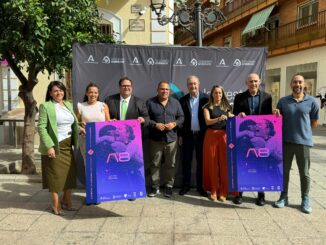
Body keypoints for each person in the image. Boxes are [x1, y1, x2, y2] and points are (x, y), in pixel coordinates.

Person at [273, 74, 319, 214]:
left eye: (300, 82)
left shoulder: (312, 102)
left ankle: (305, 199)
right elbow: (278, 120)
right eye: (294, 82)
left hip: (303, 143)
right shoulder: (283, 101)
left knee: (304, 173)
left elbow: (314, 123)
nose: (297, 85)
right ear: (291, 84)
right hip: (285, 142)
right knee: (284, 172)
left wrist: (302, 131)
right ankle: (283, 196)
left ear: (303, 84)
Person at [38, 81, 80, 215]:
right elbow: (41, 127)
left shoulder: (67, 104)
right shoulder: (46, 106)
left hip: (68, 145)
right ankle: (55, 205)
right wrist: (49, 146)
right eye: (55, 91)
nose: (59, 93)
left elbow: (72, 124)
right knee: (55, 177)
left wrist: (80, 129)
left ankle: (67, 202)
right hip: (55, 145)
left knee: (69, 175)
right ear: (50, 93)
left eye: (61, 90)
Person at [233, 73, 272, 206]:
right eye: (251, 81)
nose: (253, 84)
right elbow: (234, 116)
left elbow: (269, 118)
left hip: (260, 139)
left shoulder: (267, 97)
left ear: (259, 82)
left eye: (255, 81)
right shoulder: (239, 97)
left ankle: (261, 195)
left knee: (261, 165)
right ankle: (240, 194)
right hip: (245, 139)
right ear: (246, 83)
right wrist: (239, 115)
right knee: (244, 164)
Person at [146, 81, 184, 198]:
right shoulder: (150, 102)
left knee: (171, 164)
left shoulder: (176, 103)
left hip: (171, 139)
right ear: (157, 90)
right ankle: (155, 186)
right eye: (162, 89)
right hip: (155, 140)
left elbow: (181, 117)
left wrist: (175, 123)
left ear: (169, 91)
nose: (165, 91)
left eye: (167, 89)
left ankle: (168, 186)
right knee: (154, 164)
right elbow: (146, 118)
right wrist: (154, 124)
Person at [178, 75, 208, 196]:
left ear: (199, 84)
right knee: (186, 161)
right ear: (187, 86)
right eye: (190, 84)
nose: (193, 86)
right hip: (187, 136)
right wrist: (180, 135)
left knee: (201, 162)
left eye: (195, 83)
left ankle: (200, 187)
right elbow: (180, 119)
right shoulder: (183, 100)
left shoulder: (206, 99)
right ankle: (186, 186)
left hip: (202, 136)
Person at [202, 85, 233, 202]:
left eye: (220, 93)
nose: (218, 95)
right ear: (212, 94)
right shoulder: (207, 106)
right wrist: (219, 119)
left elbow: (232, 117)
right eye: (216, 93)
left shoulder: (227, 106)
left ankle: (223, 191)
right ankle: (214, 190)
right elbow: (207, 121)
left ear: (223, 94)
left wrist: (237, 116)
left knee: (224, 164)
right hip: (211, 136)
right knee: (212, 164)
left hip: (224, 137)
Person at [76, 82, 110, 161]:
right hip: (86, 140)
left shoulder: (103, 105)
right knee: (88, 164)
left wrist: (113, 122)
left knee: (102, 163)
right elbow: (76, 123)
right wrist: (81, 127)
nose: (93, 94)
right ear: (86, 93)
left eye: (95, 92)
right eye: (90, 92)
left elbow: (108, 122)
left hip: (101, 141)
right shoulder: (80, 106)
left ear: (98, 94)